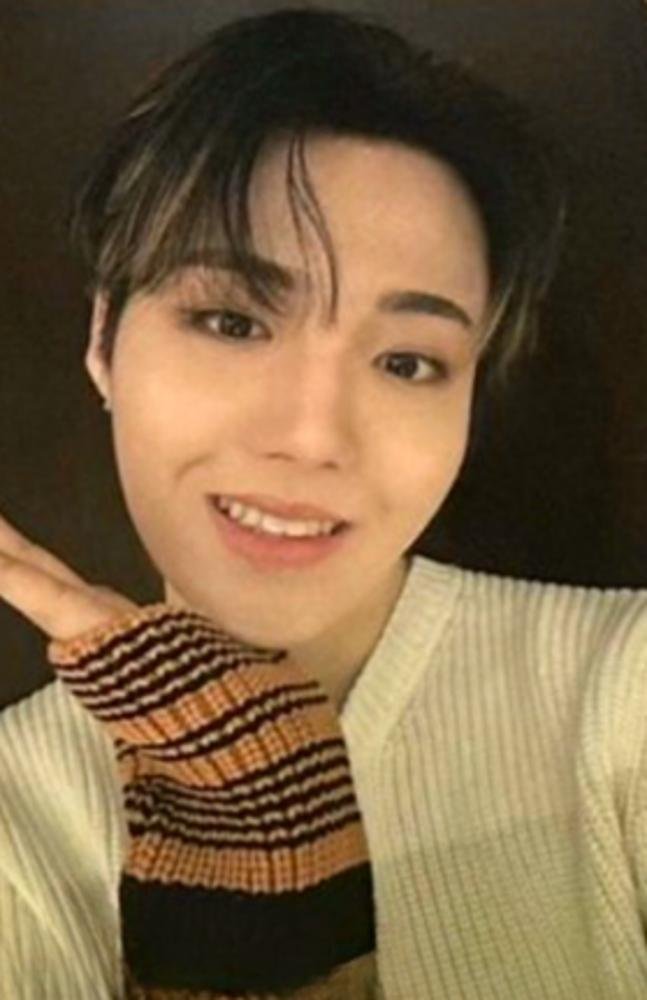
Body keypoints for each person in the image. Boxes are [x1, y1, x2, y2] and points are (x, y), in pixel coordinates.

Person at [2, 5, 646, 999]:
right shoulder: (18, 804)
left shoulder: (622, 694)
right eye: (231, 321)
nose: (311, 437)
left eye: (407, 361)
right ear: (103, 343)